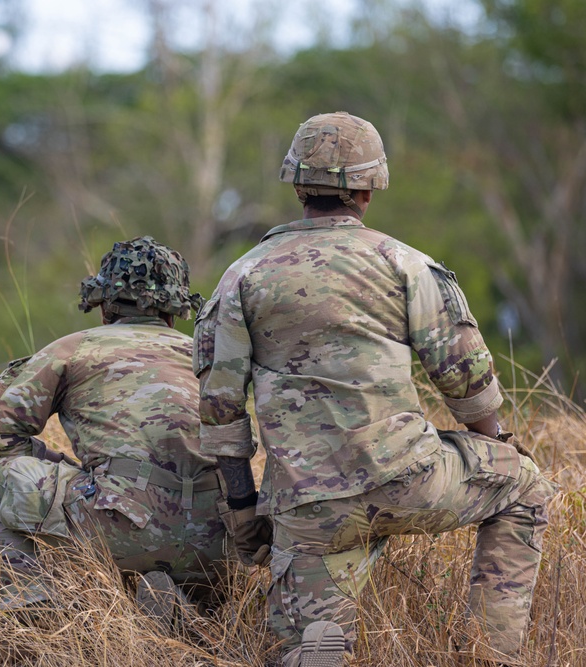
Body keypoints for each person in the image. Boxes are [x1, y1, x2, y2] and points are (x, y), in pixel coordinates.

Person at [193, 112, 557, 666]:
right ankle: (490, 654)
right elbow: (464, 379)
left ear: (296, 186)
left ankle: (314, 644)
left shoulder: (242, 276)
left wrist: (245, 513)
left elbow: (220, 412)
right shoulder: (405, 264)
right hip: (408, 479)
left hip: (308, 507)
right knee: (524, 486)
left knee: (307, 646)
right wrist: (499, 443)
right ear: (369, 188)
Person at [0, 236, 231, 622]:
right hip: (216, 542)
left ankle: (29, 610)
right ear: (176, 310)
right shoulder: (205, 355)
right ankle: (191, 615)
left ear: (104, 304)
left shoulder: (74, 349)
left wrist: (58, 462)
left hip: (120, 524)